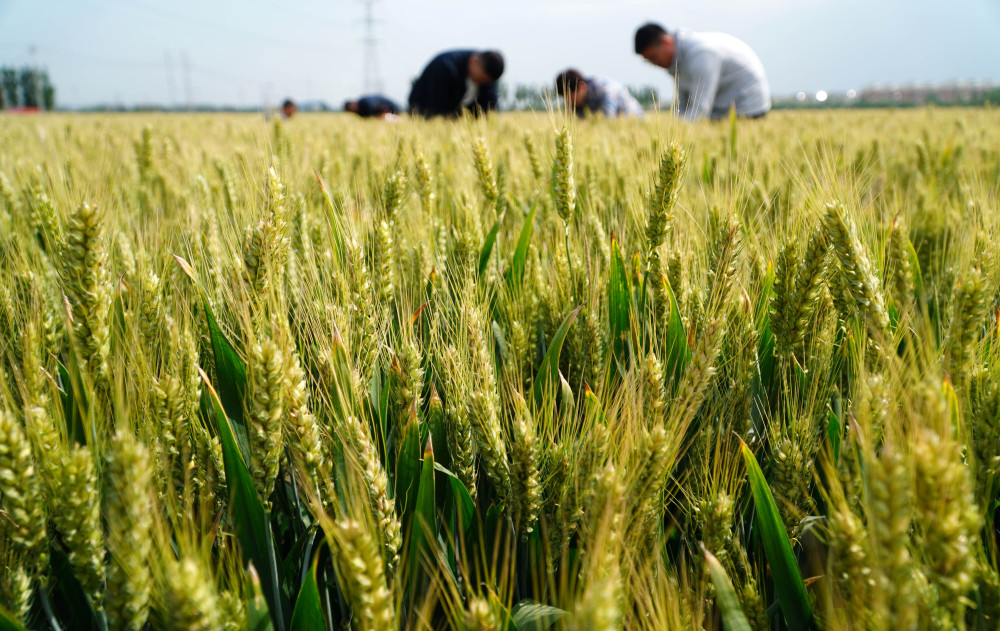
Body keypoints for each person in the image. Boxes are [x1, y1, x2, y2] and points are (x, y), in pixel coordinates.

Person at [633, 22, 770, 121]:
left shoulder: (701, 55)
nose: (654, 64)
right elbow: (683, 104)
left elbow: (701, 108)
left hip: (748, 108)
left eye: (653, 57)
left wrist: (674, 137)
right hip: (723, 109)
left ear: (666, 42)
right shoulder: (677, 62)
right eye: (648, 61)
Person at [408, 50, 504, 118]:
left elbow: (491, 109)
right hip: (422, 111)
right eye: (481, 78)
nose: (482, 83)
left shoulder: (487, 74)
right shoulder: (444, 68)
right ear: (474, 61)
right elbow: (436, 110)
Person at [555, 69, 644, 118]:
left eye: (571, 96)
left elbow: (609, 120)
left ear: (582, 87)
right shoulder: (571, 104)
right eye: (564, 97)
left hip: (634, 118)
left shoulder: (604, 89)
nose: (568, 101)